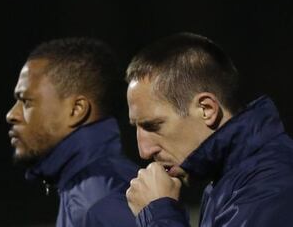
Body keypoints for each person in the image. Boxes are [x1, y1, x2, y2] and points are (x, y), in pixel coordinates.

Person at [125, 32, 293, 226]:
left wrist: (158, 213)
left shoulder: (273, 185)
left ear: (207, 109)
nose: (144, 151)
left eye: (153, 125)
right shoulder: (227, 182)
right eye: (136, 128)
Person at [6, 37, 138, 227]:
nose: (11, 115)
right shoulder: (85, 191)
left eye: (26, 101)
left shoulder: (100, 201)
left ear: (77, 110)